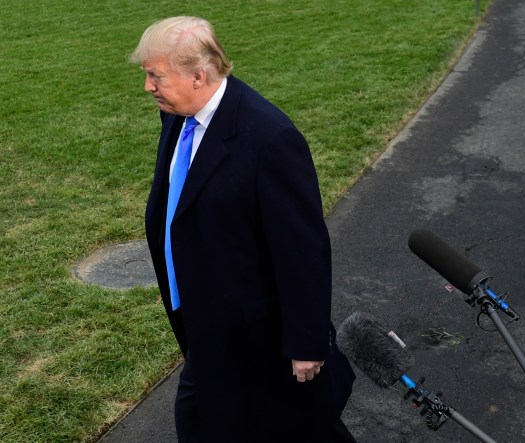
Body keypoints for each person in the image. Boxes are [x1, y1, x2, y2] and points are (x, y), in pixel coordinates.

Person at [130, 16, 356, 442]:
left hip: (256, 338)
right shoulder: (178, 117)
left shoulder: (270, 139)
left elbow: (302, 248)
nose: (148, 87)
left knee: (295, 428)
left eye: (155, 75)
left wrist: (306, 342)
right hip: (208, 325)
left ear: (199, 75)